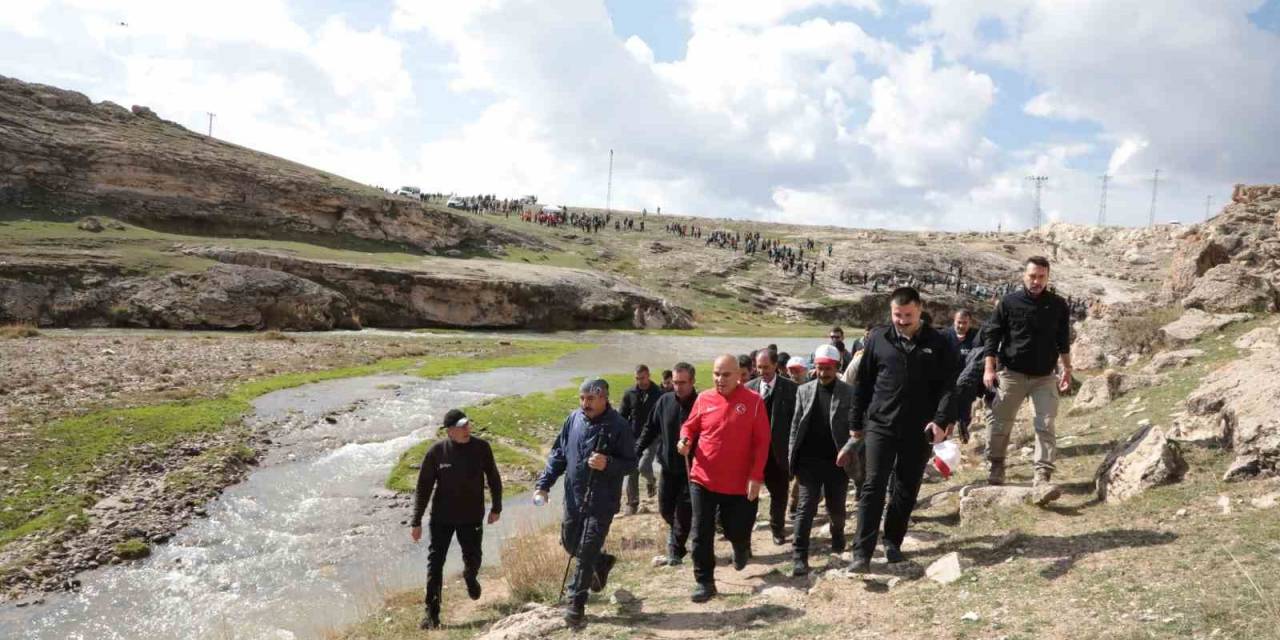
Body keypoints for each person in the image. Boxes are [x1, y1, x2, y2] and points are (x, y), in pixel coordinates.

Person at [842, 287, 957, 572]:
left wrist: (941, 420)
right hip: (880, 425)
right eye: (897, 315)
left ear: (919, 310)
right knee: (872, 487)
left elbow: (948, 386)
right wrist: (856, 424)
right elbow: (863, 385)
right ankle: (862, 553)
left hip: (919, 429)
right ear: (890, 312)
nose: (902, 321)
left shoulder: (939, 342)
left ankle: (893, 542)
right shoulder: (878, 338)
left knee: (906, 487)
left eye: (908, 315)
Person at [533, 378, 637, 628]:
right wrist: (544, 484)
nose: (585, 404)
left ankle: (575, 604)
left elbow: (631, 463)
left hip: (602, 501)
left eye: (590, 399)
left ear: (604, 398)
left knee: (587, 550)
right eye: (582, 398)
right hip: (573, 496)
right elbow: (559, 453)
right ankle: (601, 563)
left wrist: (608, 464)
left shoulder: (619, 426)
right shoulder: (573, 419)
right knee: (570, 543)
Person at [676, 355, 770, 603]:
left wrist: (756, 476)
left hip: (738, 483)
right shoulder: (704, 398)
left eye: (726, 374)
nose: (720, 379)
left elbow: (762, 443)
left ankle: (740, 545)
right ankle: (705, 582)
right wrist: (684, 439)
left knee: (735, 529)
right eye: (716, 374)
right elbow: (690, 426)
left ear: (739, 374)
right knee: (701, 533)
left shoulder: (754, 402)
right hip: (702, 478)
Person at [982, 256, 1073, 487]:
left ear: (1048, 277)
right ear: (1024, 276)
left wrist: (1067, 368)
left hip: (1044, 377)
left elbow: (1063, 340)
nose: (1036, 281)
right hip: (1011, 374)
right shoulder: (1008, 303)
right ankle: (996, 465)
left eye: (1041, 277)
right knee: (1000, 422)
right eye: (1032, 276)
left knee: (1046, 422)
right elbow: (992, 336)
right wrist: (989, 369)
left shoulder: (1058, 305)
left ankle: (1042, 474)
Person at [410, 409, 502, 630]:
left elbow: (493, 477)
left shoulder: (481, 448)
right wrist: (416, 521)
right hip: (441, 518)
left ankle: (470, 576)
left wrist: (496, 507)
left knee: (474, 558)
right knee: (435, 564)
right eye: (461, 427)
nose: (466, 429)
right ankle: (431, 614)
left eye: (467, 425)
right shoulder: (436, 453)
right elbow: (423, 488)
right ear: (449, 431)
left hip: (471, 517)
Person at [787, 344, 855, 576]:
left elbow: (858, 428)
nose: (823, 372)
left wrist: (848, 450)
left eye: (828, 368)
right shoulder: (804, 391)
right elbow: (795, 427)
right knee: (805, 508)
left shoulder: (849, 393)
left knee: (836, 508)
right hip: (809, 461)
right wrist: (791, 461)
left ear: (837, 367)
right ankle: (799, 555)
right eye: (819, 368)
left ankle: (838, 534)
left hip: (837, 462)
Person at [636, 362, 698, 565]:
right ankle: (680, 532)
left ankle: (675, 550)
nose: (678, 387)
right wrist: (636, 451)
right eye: (675, 382)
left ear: (692, 381)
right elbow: (650, 428)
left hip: (693, 470)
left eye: (682, 382)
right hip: (668, 467)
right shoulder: (664, 401)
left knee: (684, 511)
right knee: (665, 509)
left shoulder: (702, 404)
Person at [745, 350, 798, 545]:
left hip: (779, 454)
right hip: (753, 455)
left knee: (779, 495)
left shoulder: (792, 389)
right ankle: (745, 535)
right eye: (759, 367)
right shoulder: (748, 389)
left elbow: (796, 423)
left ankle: (777, 529)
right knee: (749, 496)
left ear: (776, 365)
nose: (762, 371)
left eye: (766, 367)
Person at [620, 365, 663, 514]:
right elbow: (622, 416)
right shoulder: (629, 393)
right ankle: (632, 503)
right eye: (637, 378)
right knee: (632, 469)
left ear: (649, 375)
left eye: (643, 378)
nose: (640, 381)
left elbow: (662, 417)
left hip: (652, 437)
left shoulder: (658, 393)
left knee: (644, 466)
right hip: (633, 437)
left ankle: (651, 481)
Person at [943, 309, 982, 443]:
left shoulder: (976, 337)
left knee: (965, 408)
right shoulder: (944, 335)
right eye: (959, 322)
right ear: (954, 321)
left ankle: (963, 425)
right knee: (947, 410)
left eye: (965, 323)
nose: (961, 326)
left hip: (968, 381)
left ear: (970, 323)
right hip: (948, 380)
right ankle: (946, 438)